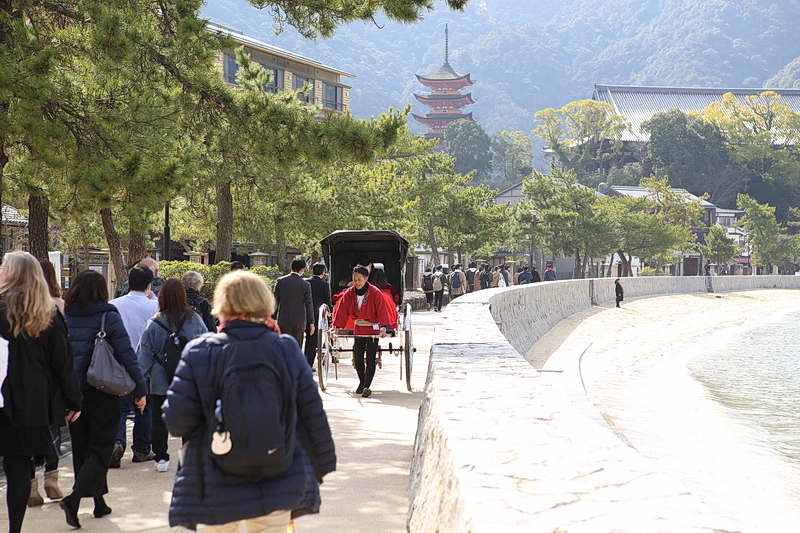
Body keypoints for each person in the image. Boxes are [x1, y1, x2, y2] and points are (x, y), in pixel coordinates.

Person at [163, 270, 336, 533]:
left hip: (216, 476)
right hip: (279, 471)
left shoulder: (200, 351)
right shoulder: (285, 348)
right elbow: (311, 412)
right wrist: (322, 464)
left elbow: (176, 421)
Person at [0, 251, 82, 533]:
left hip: (2, 392)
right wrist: (73, 399)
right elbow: (63, 362)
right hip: (31, 400)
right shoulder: (47, 313)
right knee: (19, 466)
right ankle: (14, 528)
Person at [61, 269, 147, 529]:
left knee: (81, 448)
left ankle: (98, 501)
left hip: (73, 392)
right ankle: (74, 498)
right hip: (102, 390)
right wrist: (139, 388)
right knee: (101, 448)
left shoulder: (65, 316)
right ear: (101, 291)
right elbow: (126, 354)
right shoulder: (107, 315)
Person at [136, 279, 207, 473]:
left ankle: (161, 458)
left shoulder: (153, 323)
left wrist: (139, 387)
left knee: (158, 418)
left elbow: (143, 358)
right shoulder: (195, 320)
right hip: (188, 380)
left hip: (160, 381)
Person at [108, 265, 159, 467]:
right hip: (145, 364)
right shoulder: (154, 307)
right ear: (149, 284)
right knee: (144, 408)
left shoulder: (114, 305)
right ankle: (141, 449)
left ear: (128, 282)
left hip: (118, 363)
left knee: (120, 408)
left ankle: (117, 442)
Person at [27, 259, 68, 506]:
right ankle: (51, 477)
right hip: (52, 379)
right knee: (53, 428)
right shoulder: (58, 305)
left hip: (25, 380)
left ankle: (31, 484)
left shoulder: (16, 306)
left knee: (29, 432)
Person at [332, 266, 393, 397]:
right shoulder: (350, 292)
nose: (357, 282)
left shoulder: (375, 292)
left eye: (360, 279)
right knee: (358, 357)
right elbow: (342, 309)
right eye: (355, 279)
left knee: (371, 358)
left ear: (366, 279)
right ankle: (361, 381)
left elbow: (382, 310)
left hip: (373, 328)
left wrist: (383, 328)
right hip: (359, 327)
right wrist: (337, 327)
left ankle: (366, 386)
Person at [273, 259, 315, 349]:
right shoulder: (305, 285)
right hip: (299, 321)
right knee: (297, 348)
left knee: (283, 347)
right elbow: (309, 304)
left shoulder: (281, 281)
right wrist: (311, 322)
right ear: (302, 270)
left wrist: (272, 319)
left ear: (291, 267)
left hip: (284, 319)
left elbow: (275, 302)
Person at [304, 262, 332, 367]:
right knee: (313, 340)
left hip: (305, 312)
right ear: (323, 273)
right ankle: (308, 364)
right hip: (317, 314)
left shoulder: (305, 282)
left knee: (306, 338)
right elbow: (326, 300)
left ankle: (302, 361)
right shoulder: (324, 284)